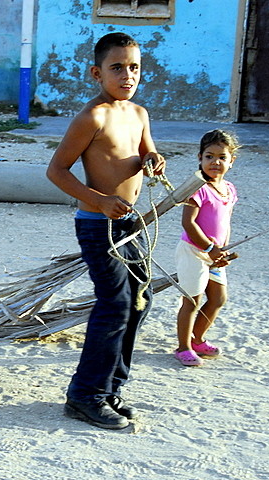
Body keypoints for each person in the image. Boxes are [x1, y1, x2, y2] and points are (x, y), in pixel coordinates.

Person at [46, 32, 165, 430]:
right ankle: (85, 396)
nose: (127, 75)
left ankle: (111, 388)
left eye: (134, 68)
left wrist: (153, 159)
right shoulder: (92, 117)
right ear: (97, 73)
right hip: (99, 225)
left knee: (139, 302)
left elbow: (143, 151)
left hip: (131, 223)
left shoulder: (139, 114)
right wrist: (98, 200)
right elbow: (56, 171)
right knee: (114, 305)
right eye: (117, 68)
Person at [173, 130, 240, 367]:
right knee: (192, 300)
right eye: (209, 156)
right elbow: (188, 223)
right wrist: (209, 247)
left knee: (218, 299)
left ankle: (198, 339)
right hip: (194, 251)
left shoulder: (229, 190)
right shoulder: (197, 188)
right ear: (199, 158)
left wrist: (222, 251)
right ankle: (183, 347)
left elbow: (225, 222)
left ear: (232, 161)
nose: (215, 162)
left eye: (222, 157)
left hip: (215, 253)